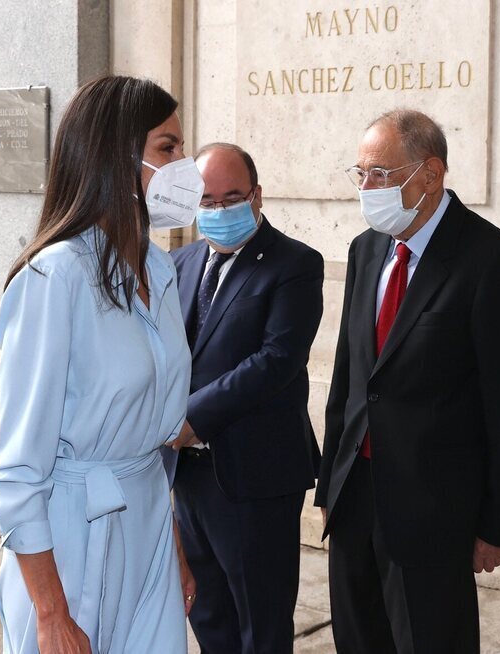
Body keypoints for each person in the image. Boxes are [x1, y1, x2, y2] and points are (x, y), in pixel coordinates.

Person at [314, 108, 500, 653]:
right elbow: (350, 377)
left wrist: (497, 524)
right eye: (360, 173)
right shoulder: (366, 249)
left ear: (430, 174)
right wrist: (330, 484)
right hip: (355, 502)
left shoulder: (491, 259)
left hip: (435, 513)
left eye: (380, 174)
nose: (366, 188)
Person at [0, 75, 201, 654]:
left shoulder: (159, 271)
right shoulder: (55, 277)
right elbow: (16, 471)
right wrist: (50, 613)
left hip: (148, 528)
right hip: (74, 541)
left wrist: (171, 548)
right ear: (116, 156)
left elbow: (151, 442)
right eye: (167, 148)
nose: (185, 163)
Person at [165, 143, 324, 653]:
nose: (218, 211)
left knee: (261, 623)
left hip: (257, 476)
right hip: (188, 475)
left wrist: (191, 417)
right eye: (207, 201)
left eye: (232, 197)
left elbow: (276, 360)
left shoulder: (295, 264)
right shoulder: (177, 263)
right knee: (207, 614)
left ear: (257, 196)